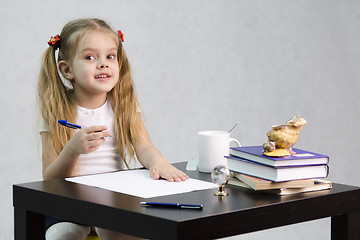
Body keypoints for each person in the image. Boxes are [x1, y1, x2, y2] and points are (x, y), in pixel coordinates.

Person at [38, 18, 189, 240]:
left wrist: (158, 162)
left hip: (112, 202)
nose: (103, 64)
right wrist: (73, 150)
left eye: (110, 56)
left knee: (126, 230)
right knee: (63, 234)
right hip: (67, 206)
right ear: (66, 69)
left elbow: (144, 146)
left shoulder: (121, 106)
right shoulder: (57, 112)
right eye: (90, 57)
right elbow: (49, 179)